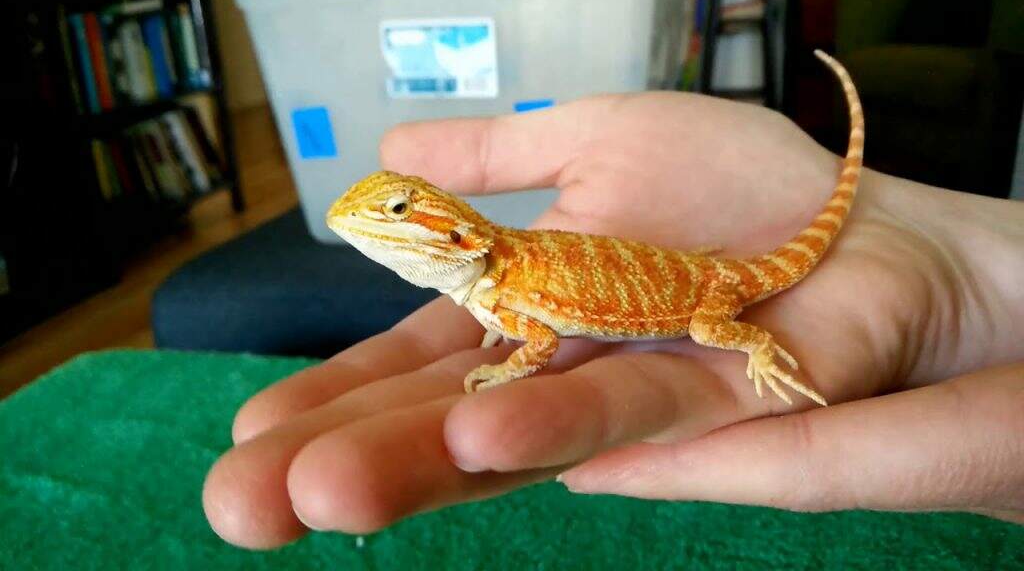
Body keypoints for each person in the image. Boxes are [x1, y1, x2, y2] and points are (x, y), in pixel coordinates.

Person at [202, 91, 1024, 549]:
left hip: (708, 292)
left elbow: (546, 339)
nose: (375, 220)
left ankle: (760, 341)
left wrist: (507, 365)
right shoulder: (493, 271)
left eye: (396, 208)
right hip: (692, 265)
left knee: (711, 332)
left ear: (449, 229)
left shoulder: (509, 279)